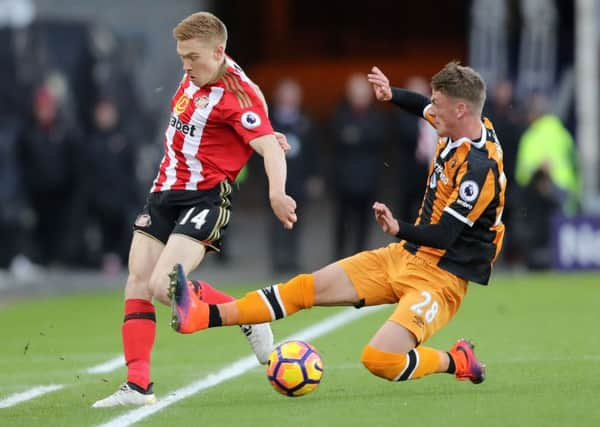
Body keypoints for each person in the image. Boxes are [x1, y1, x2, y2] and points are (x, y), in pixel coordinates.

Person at [167, 62, 506, 387]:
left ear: (460, 110)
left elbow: (446, 235)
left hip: (441, 278)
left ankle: (457, 361)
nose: (431, 110)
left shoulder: (480, 169)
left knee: (380, 359)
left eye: (437, 103)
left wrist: (396, 227)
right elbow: (421, 107)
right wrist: (392, 94)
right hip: (405, 256)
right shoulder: (460, 122)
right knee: (304, 288)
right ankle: (201, 316)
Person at [92, 12, 297, 408]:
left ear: (219, 52)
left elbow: (269, 146)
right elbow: (254, 132)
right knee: (137, 280)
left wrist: (277, 193)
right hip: (164, 191)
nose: (186, 65)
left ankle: (248, 315)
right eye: (182, 57)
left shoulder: (241, 95)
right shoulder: (197, 73)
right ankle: (137, 386)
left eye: (193, 57)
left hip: (204, 197)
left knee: (164, 284)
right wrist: (262, 134)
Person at [330, 73, 387, 259]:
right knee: (342, 223)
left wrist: (356, 136)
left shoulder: (377, 117)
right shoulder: (340, 114)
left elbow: (378, 139)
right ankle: (339, 259)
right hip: (344, 180)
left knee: (364, 223)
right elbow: (337, 139)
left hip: (368, 180)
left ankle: (360, 259)